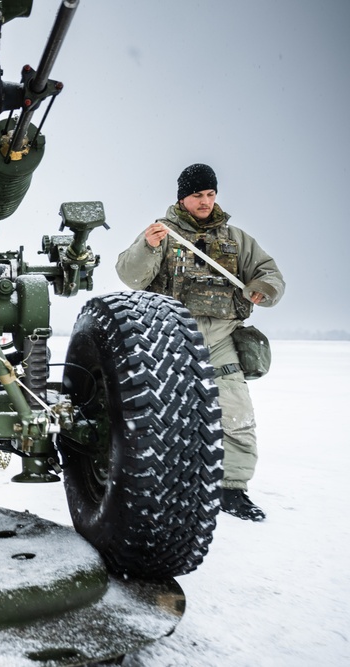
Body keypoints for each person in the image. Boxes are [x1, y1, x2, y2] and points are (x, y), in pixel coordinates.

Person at [115, 164, 285, 522]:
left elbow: (269, 273)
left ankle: (233, 489)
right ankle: (164, 486)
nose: (205, 201)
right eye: (197, 195)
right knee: (164, 416)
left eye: (210, 194)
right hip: (170, 339)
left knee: (235, 414)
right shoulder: (161, 233)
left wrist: (263, 289)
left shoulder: (237, 239)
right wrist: (148, 247)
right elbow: (130, 275)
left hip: (222, 339)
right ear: (182, 198)